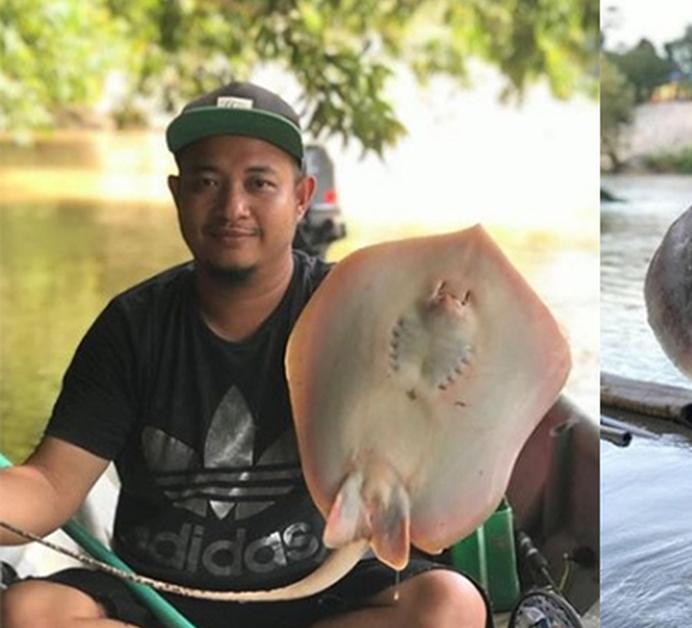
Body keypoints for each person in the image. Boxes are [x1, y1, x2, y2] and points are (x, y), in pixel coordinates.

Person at [0, 82, 489, 627]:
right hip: (157, 600)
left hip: (311, 593)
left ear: (302, 197)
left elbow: (445, 434)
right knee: (28, 611)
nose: (233, 207)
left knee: (451, 606)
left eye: (260, 183)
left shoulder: (354, 314)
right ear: (177, 193)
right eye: (206, 182)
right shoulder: (133, 327)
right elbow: (49, 486)